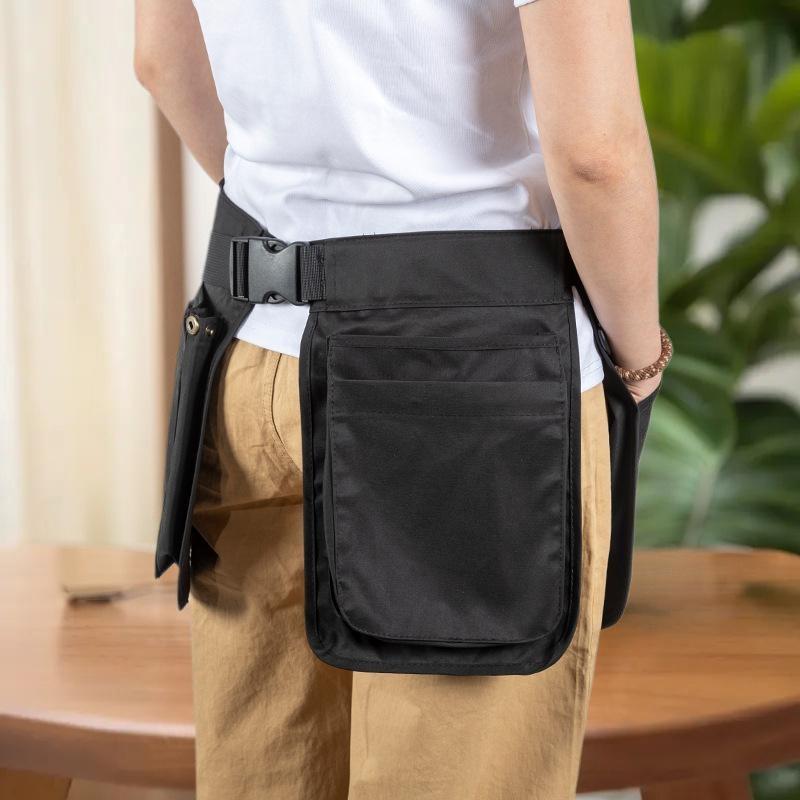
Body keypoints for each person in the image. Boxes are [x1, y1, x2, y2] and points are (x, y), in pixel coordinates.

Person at [135, 0, 664, 797]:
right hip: (470, 387)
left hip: (253, 351)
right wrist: (638, 358)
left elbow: (162, 58)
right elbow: (597, 154)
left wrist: (306, 222)